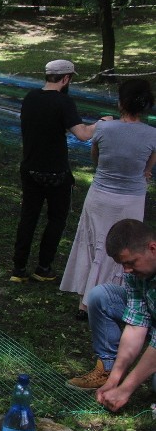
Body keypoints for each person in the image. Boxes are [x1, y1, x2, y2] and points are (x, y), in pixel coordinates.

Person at [60, 79, 156, 319]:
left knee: (95, 246)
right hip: (131, 199)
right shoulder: (153, 135)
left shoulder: (104, 128)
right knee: (126, 246)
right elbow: (146, 168)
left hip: (101, 196)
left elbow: (96, 160)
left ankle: (85, 303)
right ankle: (119, 302)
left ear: (120, 102)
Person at [10, 59, 105, 283]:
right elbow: (82, 134)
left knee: (28, 218)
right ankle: (43, 267)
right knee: (56, 219)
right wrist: (101, 123)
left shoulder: (30, 98)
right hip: (56, 172)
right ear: (65, 78)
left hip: (30, 167)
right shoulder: (64, 102)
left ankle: (18, 269)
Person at [67, 219, 156, 410]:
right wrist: (115, 381)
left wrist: (126, 388)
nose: (127, 270)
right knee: (101, 296)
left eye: (131, 263)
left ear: (152, 248)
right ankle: (106, 371)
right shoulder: (135, 272)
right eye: (123, 264)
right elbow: (135, 324)